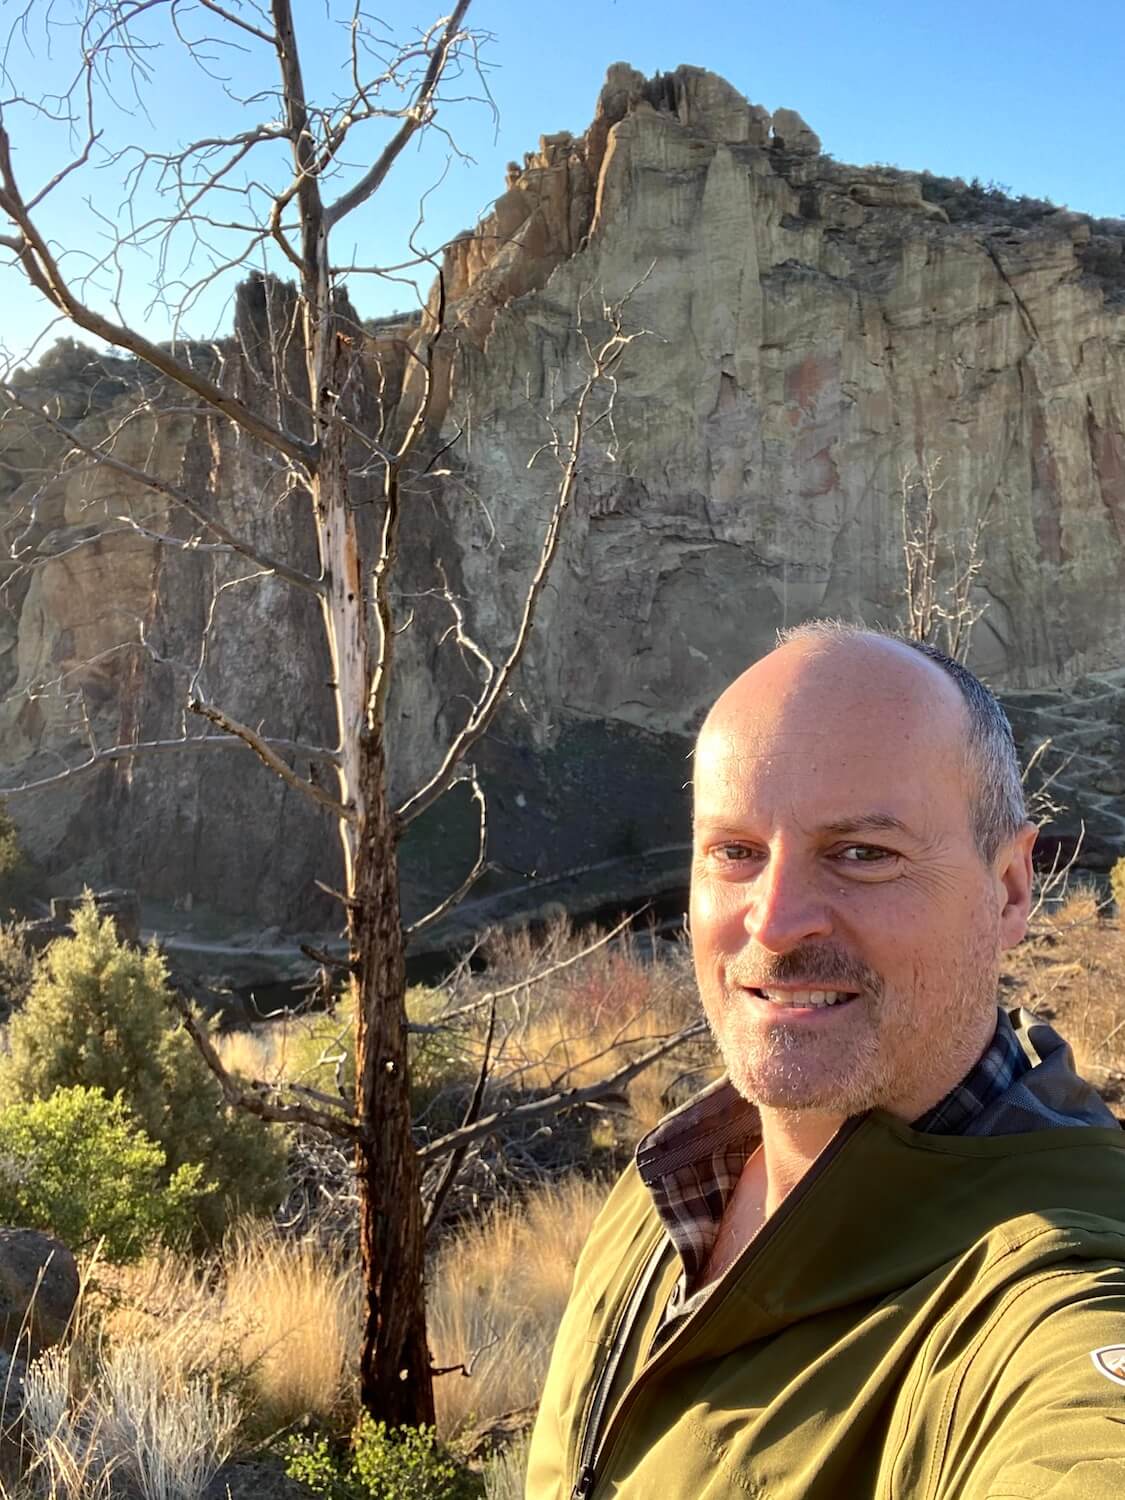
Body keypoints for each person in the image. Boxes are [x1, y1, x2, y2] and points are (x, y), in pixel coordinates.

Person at [525, 622, 1125, 1500]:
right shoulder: (668, 1184)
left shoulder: (1054, 1284)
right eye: (735, 852)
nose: (773, 922)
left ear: (1006, 889)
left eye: (863, 855)